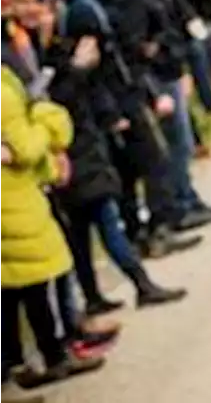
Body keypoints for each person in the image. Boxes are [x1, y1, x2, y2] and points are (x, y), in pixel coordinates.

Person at [65, 0, 203, 257]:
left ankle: (145, 230)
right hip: (120, 98)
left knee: (133, 169)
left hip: (122, 94)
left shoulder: (98, 0)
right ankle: (158, 228)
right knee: (152, 161)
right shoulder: (94, 9)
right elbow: (120, 58)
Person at [0, 65, 106, 392]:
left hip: (13, 199)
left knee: (11, 290)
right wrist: (47, 124)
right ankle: (55, 355)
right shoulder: (3, 94)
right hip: (14, 201)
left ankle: (17, 369)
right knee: (39, 281)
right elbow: (26, 149)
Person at [120, 0, 211, 229]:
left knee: (183, 143)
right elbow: (139, 48)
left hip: (172, 72)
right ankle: (179, 205)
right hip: (158, 79)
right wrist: (156, 87)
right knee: (176, 146)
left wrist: (181, 70)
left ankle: (189, 198)